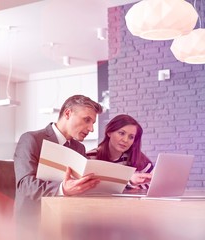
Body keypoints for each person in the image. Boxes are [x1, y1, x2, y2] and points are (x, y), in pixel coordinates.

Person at [13, 95, 103, 236]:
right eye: (87, 120)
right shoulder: (31, 139)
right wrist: (63, 189)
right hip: (34, 223)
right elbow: (25, 184)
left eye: (93, 123)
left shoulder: (79, 148)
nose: (91, 128)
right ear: (68, 113)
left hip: (69, 220)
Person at [86, 114, 153, 189]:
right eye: (121, 133)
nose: (125, 140)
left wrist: (133, 185)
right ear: (109, 132)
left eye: (131, 137)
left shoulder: (138, 159)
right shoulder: (90, 157)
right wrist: (129, 182)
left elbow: (154, 184)